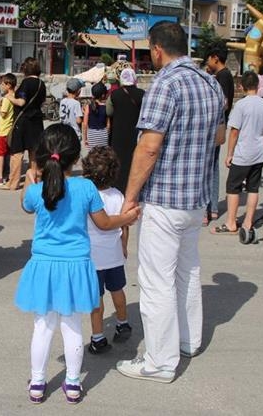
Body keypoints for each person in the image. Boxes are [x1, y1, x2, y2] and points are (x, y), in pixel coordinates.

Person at [115, 21, 224, 383]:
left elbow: (149, 146)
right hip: (195, 199)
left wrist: (129, 198)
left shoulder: (165, 83)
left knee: (156, 280)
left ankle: (159, 362)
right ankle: (187, 340)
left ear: (157, 49)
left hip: (164, 198)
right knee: (187, 272)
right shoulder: (210, 82)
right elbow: (218, 135)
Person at [15, 124, 139, 404]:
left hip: (44, 266)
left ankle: (37, 382)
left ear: (43, 157)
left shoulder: (37, 190)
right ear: (75, 157)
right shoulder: (85, 188)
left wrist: (30, 175)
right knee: (72, 327)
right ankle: (72, 384)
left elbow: (25, 203)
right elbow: (105, 224)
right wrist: (127, 218)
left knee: (43, 327)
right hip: (76, 266)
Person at [82, 147, 132, 355]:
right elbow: (125, 225)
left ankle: (98, 337)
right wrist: (124, 246)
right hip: (114, 254)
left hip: (92, 257)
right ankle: (123, 322)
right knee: (118, 290)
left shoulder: (86, 195)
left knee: (96, 299)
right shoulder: (118, 195)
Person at [212, 71, 263, 243]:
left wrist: (229, 153)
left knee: (233, 187)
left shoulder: (241, 105)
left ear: (242, 86)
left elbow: (234, 132)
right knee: (253, 188)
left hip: (243, 152)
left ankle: (231, 222)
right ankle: (248, 222)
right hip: (259, 152)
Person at [3, 58, 46, 191]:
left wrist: (10, 98)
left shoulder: (26, 83)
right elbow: (42, 102)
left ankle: (13, 182)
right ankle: (35, 179)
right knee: (34, 152)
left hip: (23, 122)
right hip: (37, 121)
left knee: (17, 152)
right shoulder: (41, 84)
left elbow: (21, 102)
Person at [203, 48, 233, 225]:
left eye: (208, 59)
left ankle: (207, 209)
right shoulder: (226, 75)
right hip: (220, 127)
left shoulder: (222, 77)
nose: (207, 62)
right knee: (213, 167)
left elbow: (223, 103)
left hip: (213, 127)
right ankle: (213, 208)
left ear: (215, 58)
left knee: (206, 168)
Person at [107, 67, 145, 192]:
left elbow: (109, 112)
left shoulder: (114, 94)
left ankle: (119, 187)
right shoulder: (142, 94)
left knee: (119, 159)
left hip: (118, 133)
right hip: (136, 133)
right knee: (134, 159)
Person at [0, 73, 17, 186]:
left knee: (0, 154)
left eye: (3, 83)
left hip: (3, 129)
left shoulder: (7, 99)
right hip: (9, 129)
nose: (1, 85)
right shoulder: (14, 96)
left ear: (8, 85)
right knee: (8, 154)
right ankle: (7, 174)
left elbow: (3, 113)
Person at [83, 81, 110, 148]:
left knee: (92, 156)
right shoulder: (106, 107)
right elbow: (108, 125)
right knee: (103, 156)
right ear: (103, 95)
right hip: (103, 135)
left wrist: (85, 138)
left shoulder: (88, 107)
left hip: (91, 135)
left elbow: (85, 124)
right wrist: (107, 135)